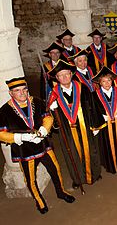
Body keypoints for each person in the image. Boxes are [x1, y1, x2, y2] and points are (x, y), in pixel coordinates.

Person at [0, 77, 75, 214]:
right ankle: (39, 200)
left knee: (55, 169)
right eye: (17, 91)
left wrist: (44, 129)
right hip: (24, 150)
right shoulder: (3, 111)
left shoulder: (36, 101)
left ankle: (61, 192)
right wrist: (19, 137)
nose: (22, 93)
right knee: (31, 179)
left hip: (43, 144)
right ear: (10, 93)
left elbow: (48, 117)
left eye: (24, 89)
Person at [48, 60, 101, 189]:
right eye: (61, 75)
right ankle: (78, 178)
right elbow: (50, 120)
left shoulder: (82, 88)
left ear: (71, 74)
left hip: (85, 125)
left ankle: (94, 174)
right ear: (57, 78)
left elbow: (92, 107)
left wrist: (95, 125)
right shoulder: (54, 94)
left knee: (91, 150)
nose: (64, 77)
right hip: (66, 130)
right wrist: (52, 110)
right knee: (72, 152)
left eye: (66, 74)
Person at [92, 66, 117, 173]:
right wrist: (101, 117)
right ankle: (112, 166)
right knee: (108, 146)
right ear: (99, 83)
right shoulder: (94, 96)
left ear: (112, 80)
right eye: (103, 81)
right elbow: (93, 111)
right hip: (105, 126)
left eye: (109, 80)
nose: (106, 83)